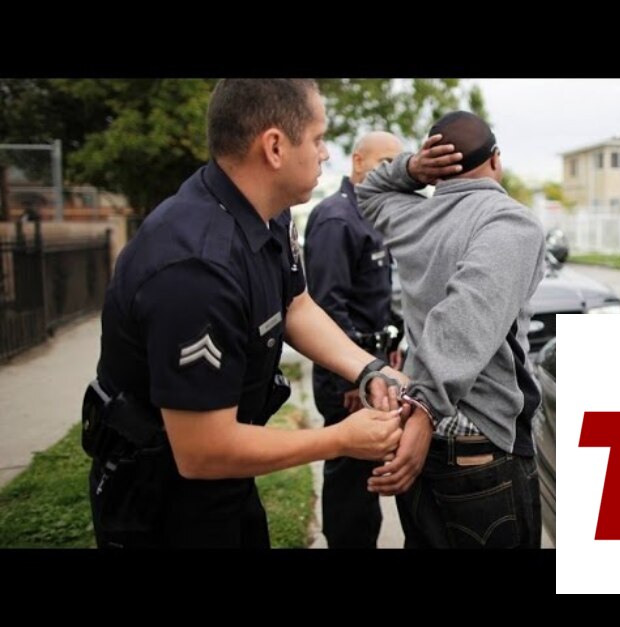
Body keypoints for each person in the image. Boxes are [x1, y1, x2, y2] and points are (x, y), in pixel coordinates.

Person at [84, 79, 409, 549]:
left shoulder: (267, 212)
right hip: (163, 502)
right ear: (274, 147)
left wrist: (369, 368)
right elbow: (202, 452)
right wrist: (341, 439)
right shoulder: (196, 268)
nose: (325, 155)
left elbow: (295, 304)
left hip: (230, 480)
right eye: (318, 139)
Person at [356, 111, 546, 549]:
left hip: (417, 431)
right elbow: (465, 315)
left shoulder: (412, 216)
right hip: (479, 444)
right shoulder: (509, 222)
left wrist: (410, 169)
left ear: (435, 165)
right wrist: (426, 408)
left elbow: (369, 189)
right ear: (495, 159)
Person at [304, 131, 404, 548]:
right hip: (347, 376)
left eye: (397, 164)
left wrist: (390, 346)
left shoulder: (372, 214)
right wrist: (353, 376)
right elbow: (327, 307)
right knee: (350, 486)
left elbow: (375, 296)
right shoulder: (337, 219)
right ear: (358, 162)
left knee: (366, 479)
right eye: (384, 163)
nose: (392, 172)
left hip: (370, 367)